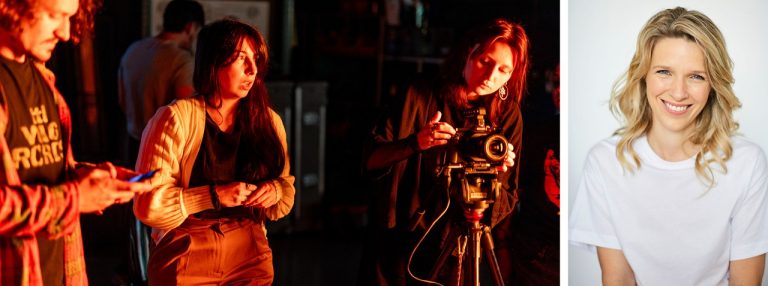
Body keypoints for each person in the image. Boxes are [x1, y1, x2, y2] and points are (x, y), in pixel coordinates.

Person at [570, 7, 768, 285]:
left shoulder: (746, 163)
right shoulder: (606, 162)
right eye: (664, 72)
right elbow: (618, 278)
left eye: (696, 76)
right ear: (643, 75)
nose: (678, 92)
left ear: (713, 84)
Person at [359, 18, 528, 285]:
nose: (491, 76)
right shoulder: (419, 93)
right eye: (485, 61)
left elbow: (508, 193)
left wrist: (495, 172)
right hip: (399, 236)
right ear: (469, 52)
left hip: (455, 242)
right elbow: (371, 160)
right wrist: (416, 142)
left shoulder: (507, 115)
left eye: (503, 70)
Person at [133, 18, 295, 285]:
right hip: (189, 247)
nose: (252, 69)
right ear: (213, 62)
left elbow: (286, 190)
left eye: (255, 59)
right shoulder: (176, 118)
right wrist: (213, 196)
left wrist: (275, 190)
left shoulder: (268, 121)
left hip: (249, 250)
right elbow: (148, 203)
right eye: (240, 58)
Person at [0, 0, 152, 285]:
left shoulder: (42, 78)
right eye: (53, 16)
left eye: (70, 18)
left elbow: (37, 169)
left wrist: (85, 177)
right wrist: (75, 198)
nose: (65, 33)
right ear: (9, 7)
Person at [118, 0, 204, 166]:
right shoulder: (182, 60)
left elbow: (122, 100)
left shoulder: (133, 50)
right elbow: (186, 111)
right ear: (190, 27)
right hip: (162, 150)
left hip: (131, 144)